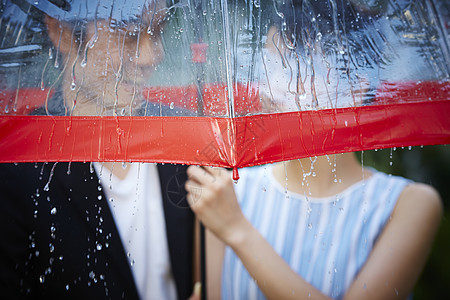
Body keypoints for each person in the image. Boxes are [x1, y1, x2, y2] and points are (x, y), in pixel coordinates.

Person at [185, 1, 443, 299]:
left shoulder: (407, 205)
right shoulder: (226, 193)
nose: (271, 85)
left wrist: (237, 231)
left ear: (355, 86)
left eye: (294, 64)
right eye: (269, 61)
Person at [0, 0, 198, 299]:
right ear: (62, 32)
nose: (149, 56)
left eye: (157, 33)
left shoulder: (186, 136)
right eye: (129, 35)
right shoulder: (18, 165)